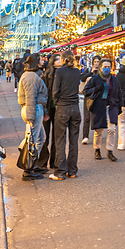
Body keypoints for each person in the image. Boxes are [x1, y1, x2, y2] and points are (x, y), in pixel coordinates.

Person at [49, 50, 83, 180]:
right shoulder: (76, 71)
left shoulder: (60, 72)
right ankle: (72, 170)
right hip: (75, 106)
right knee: (74, 140)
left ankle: (60, 171)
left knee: (60, 140)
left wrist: (57, 103)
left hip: (63, 106)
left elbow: (55, 91)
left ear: (63, 59)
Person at [84, 58, 123, 162]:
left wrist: (120, 106)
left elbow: (119, 92)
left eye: (108, 67)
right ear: (100, 67)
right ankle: (97, 149)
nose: (107, 69)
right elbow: (86, 91)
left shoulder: (114, 79)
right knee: (99, 130)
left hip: (111, 106)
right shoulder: (95, 79)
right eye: (105, 67)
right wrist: (97, 88)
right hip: (99, 107)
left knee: (112, 130)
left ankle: (110, 151)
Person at [17, 54, 49, 180]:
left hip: (33, 109)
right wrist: (31, 118)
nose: (43, 61)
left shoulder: (30, 75)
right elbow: (31, 98)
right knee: (33, 140)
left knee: (39, 137)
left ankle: (31, 165)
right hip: (33, 109)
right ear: (36, 62)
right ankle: (28, 168)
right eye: (41, 59)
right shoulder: (31, 77)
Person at [37, 54, 59, 173]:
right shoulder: (45, 75)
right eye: (58, 59)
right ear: (53, 62)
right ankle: (43, 162)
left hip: (58, 109)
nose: (60, 61)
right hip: (48, 108)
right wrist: (44, 110)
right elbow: (43, 94)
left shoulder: (63, 74)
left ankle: (55, 161)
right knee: (45, 136)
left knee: (57, 136)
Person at [80, 56, 101, 145]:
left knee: (97, 117)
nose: (96, 63)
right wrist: (91, 72)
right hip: (88, 97)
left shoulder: (102, 72)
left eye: (98, 61)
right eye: (95, 61)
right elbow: (82, 78)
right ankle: (85, 136)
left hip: (98, 97)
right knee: (87, 117)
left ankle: (97, 134)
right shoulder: (89, 70)